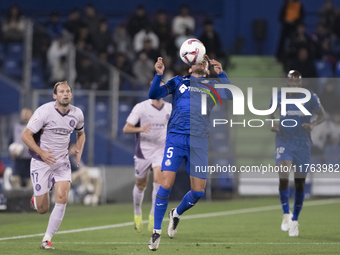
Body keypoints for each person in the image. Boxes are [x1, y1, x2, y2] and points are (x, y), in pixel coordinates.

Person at [147, 55, 232, 250]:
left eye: (204, 61)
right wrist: (158, 75)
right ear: (190, 67)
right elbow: (154, 94)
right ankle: (156, 232)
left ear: (208, 68)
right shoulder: (178, 81)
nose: (201, 62)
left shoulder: (212, 86)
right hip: (176, 138)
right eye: (197, 61)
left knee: (198, 192)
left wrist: (222, 74)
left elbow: (231, 95)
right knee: (165, 183)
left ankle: (176, 214)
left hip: (199, 141)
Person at [21, 81, 85, 249]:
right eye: (61, 91)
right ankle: (37, 199)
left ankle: (47, 239)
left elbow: (81, 133)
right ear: (55, 96)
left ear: (71, 95)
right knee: (42, 209)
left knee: (62, 197)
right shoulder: (44, 111)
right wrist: (41, 152)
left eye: (68, 91)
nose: (65, 94)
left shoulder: (77, 114)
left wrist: (79, 149)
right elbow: (26, 135)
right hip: (41, 162)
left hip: (62, 162)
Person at [269, 70, 325, 237]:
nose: (294, 85)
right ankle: (286, 214)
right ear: (287, 82)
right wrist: (273, 123)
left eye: (297, 82)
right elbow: (271, 112)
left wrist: (313, 124)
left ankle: (295, 219)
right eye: (291, 82)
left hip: (303, 144)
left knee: (300, 184)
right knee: (284, 174)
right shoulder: (278, 96)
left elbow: (322, 115)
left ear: (301, 84)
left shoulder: (310, 97)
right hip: (284, 140)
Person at [123, 83, 172, 232]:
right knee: (141, 185)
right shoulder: (141, 107)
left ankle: (153, 215)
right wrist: (140, 129)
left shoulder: (170, 108)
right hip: (143, 151)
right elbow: (126, 128)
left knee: (159, 179)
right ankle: (137, 213)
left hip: (160, 150)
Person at [9, 108, 33, 189]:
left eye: (27, 113)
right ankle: (16, 200)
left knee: (31, 183)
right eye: (24, 113)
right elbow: (10, 142)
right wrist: (11, 153)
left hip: (31, 160)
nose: (25, 115)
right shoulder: (15, 127)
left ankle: (31, 201)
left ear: (31, 115)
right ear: (21, 115)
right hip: (18, 160)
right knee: (15, 181)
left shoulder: (35, 128)